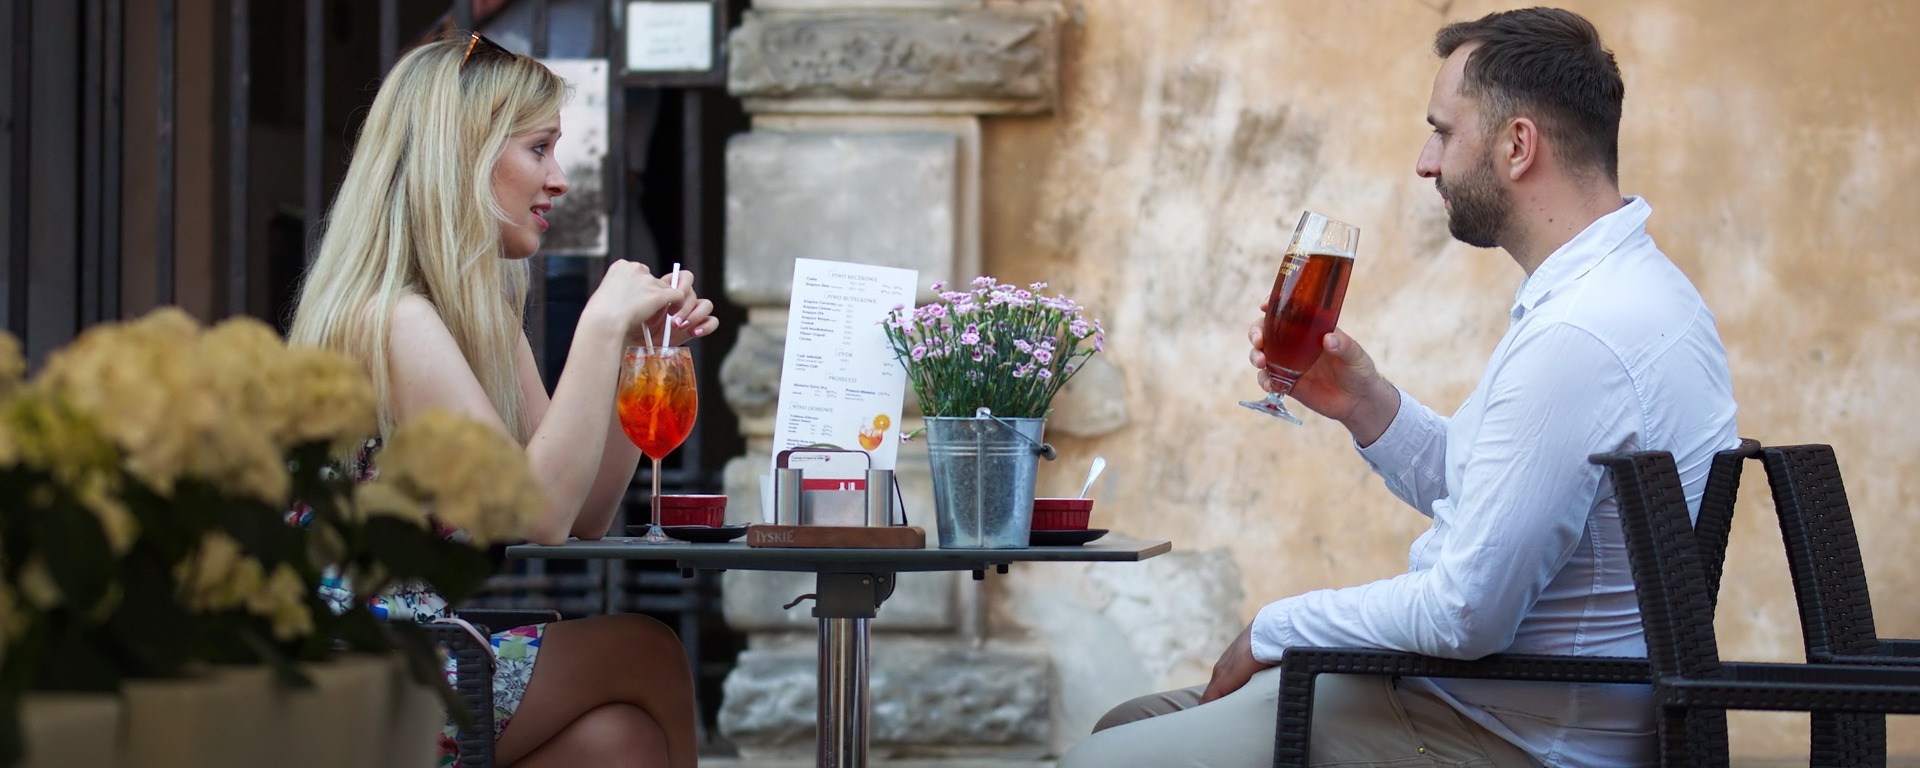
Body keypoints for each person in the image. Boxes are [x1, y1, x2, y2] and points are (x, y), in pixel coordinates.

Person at [1060, 8, 1737, 768]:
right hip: (1489, 704)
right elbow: (1502, 501)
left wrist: (1275, 627)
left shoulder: (1580, 334)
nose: (1425, 162)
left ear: (1517, 145)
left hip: (1510, 734)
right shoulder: (1631, 290)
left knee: (1097, 762)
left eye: (1443, 132)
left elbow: (1465, 613)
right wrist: (1367, 406)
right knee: (1125, 724)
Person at [288, 33, 716, 768]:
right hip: (354, 670)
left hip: (420, 647)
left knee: (623, 744)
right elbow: (540, 513)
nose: (560, 179)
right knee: (645, 648)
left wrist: (636, 352)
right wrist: (598, 325)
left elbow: (583, 513)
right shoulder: (393, 318)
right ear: (463, 156)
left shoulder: (477, 314)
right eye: (539, 149)